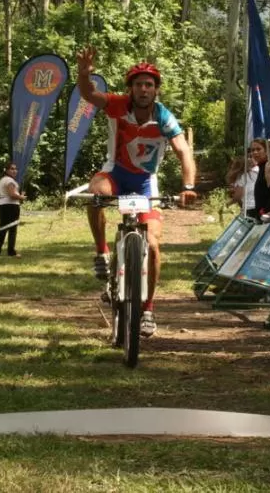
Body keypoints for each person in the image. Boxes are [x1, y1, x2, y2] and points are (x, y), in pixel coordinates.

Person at [75, 47, 197, 338]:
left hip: (144, 183)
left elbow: (183, 151)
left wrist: (188, 187)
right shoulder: (118, 105)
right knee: (96, 194)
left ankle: (149, 309)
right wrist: (83, 73)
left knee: (153, 246)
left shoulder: (164, 117)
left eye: (149, 85)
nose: (144, 89)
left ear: (156, 90)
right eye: (139, 84)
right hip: (115, 174)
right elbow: (90, 95)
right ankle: (102, 252)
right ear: (130, 88)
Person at [0, 162, 24, 257]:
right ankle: (11, 251)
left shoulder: (3, 180)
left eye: (15, 169)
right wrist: (21, 197)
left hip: (3, 205)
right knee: (12, 229)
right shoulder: (9, 180)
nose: (14, 171)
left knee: (3, 229)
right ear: (6, 170)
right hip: (11, 206)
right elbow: (12, 194)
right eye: (12, 169)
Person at [230, 139, 267, 220]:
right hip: (262, 208)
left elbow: (238, 196)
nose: (254, 154)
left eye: (258, 149)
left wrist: (229, 203)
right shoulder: (259, 170)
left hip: (251, 208)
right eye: (252, 151)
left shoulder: (243, 177)